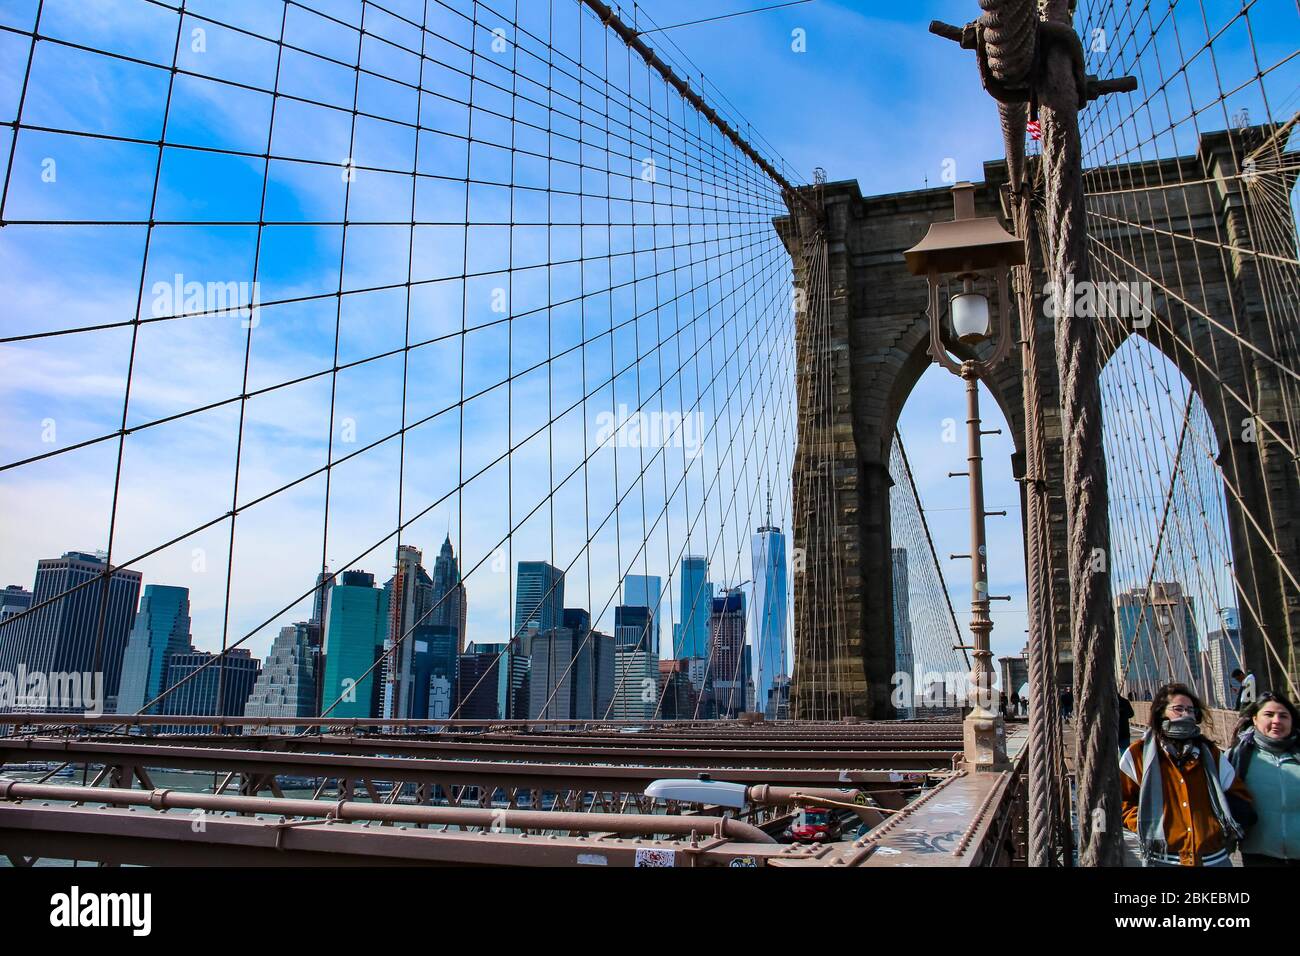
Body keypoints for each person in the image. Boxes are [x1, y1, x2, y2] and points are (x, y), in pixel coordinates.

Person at [1120, 682, 1253, 867]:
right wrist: (1148, 823)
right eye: (1178, 709)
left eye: (1190, 710)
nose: (1186, 714)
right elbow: (1122, 801)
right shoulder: (1138, 755)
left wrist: (1216, 826)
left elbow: (1238, 794)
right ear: (1161, 712)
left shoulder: (1210, 753)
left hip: (1213, 859)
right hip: (1162, 860)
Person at [1228, 692, 1300, 867]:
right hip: (1258, 855)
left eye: (1283, 716)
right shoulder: (1238, 756)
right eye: (1269, 715)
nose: (1276, 721)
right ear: (1254, 719)